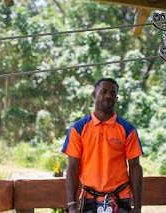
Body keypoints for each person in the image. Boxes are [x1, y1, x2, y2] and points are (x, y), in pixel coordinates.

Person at [61, 78, 143, 213]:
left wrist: (138, 206)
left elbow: (135, 166)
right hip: (89, 199)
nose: (108, 95)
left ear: (116, 99)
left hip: (120, 199)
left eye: (112, 93)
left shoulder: (127, 129)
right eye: (104, 91)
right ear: (94, 94)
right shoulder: (78, 129)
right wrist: (71, 205)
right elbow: (72, 167)